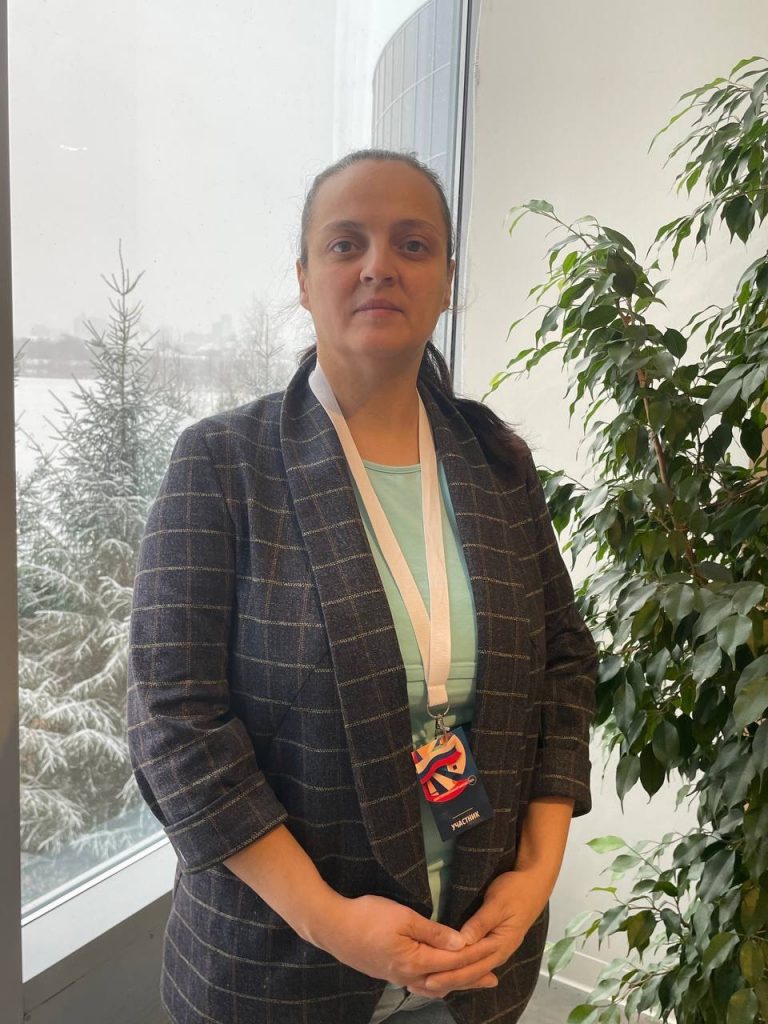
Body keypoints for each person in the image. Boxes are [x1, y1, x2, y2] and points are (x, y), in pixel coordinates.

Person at [127, 148, 597, 1024]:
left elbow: (565, 664)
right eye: (347, 244)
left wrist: (536, 874)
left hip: (477, 963)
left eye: (412, 244)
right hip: (279, 972)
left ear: (447, 280)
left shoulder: (497, 464)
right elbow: (174, 719)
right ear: (304, 280)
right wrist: (330, 921)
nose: (379, 265)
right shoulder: (224, 464)